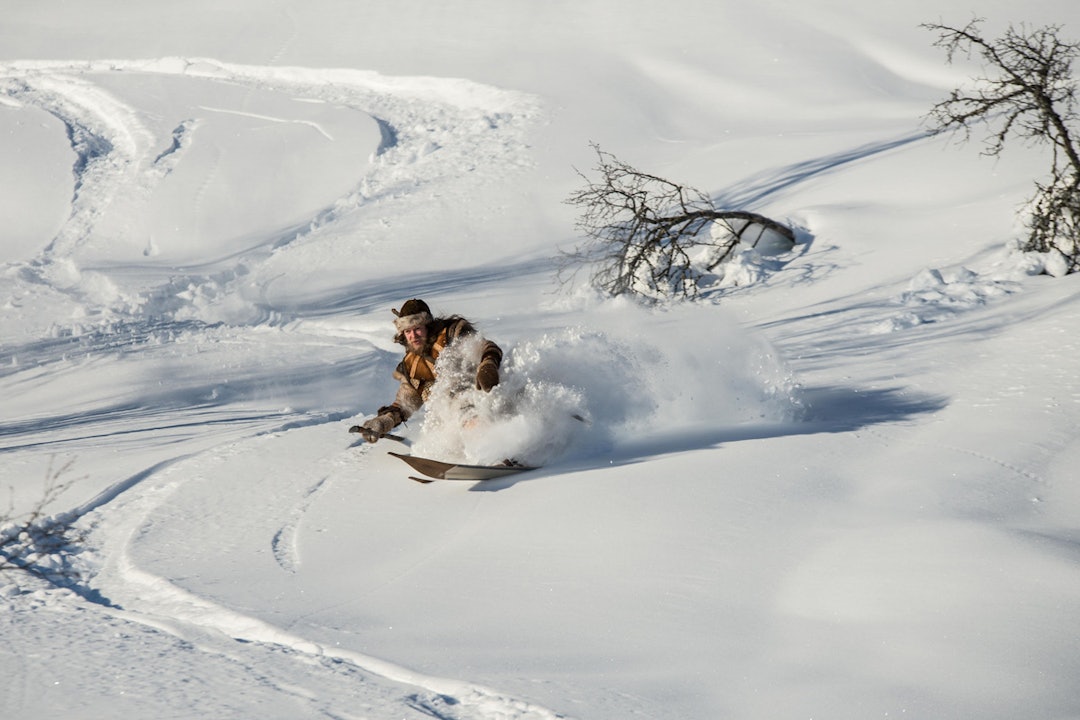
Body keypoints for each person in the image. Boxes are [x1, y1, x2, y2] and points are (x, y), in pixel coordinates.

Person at [351, 298, 502, 442]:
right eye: (407, 331)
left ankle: (497, 452)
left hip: (481, 397)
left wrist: (487, 366)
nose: (413, 335)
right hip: (449, 416)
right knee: (437, 429)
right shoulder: (411, 365)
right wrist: (383, 422)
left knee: (467, 414)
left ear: (427, 326)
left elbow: (486, 347)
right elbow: (406, 402)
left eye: (417, 329)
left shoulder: (452, 335)